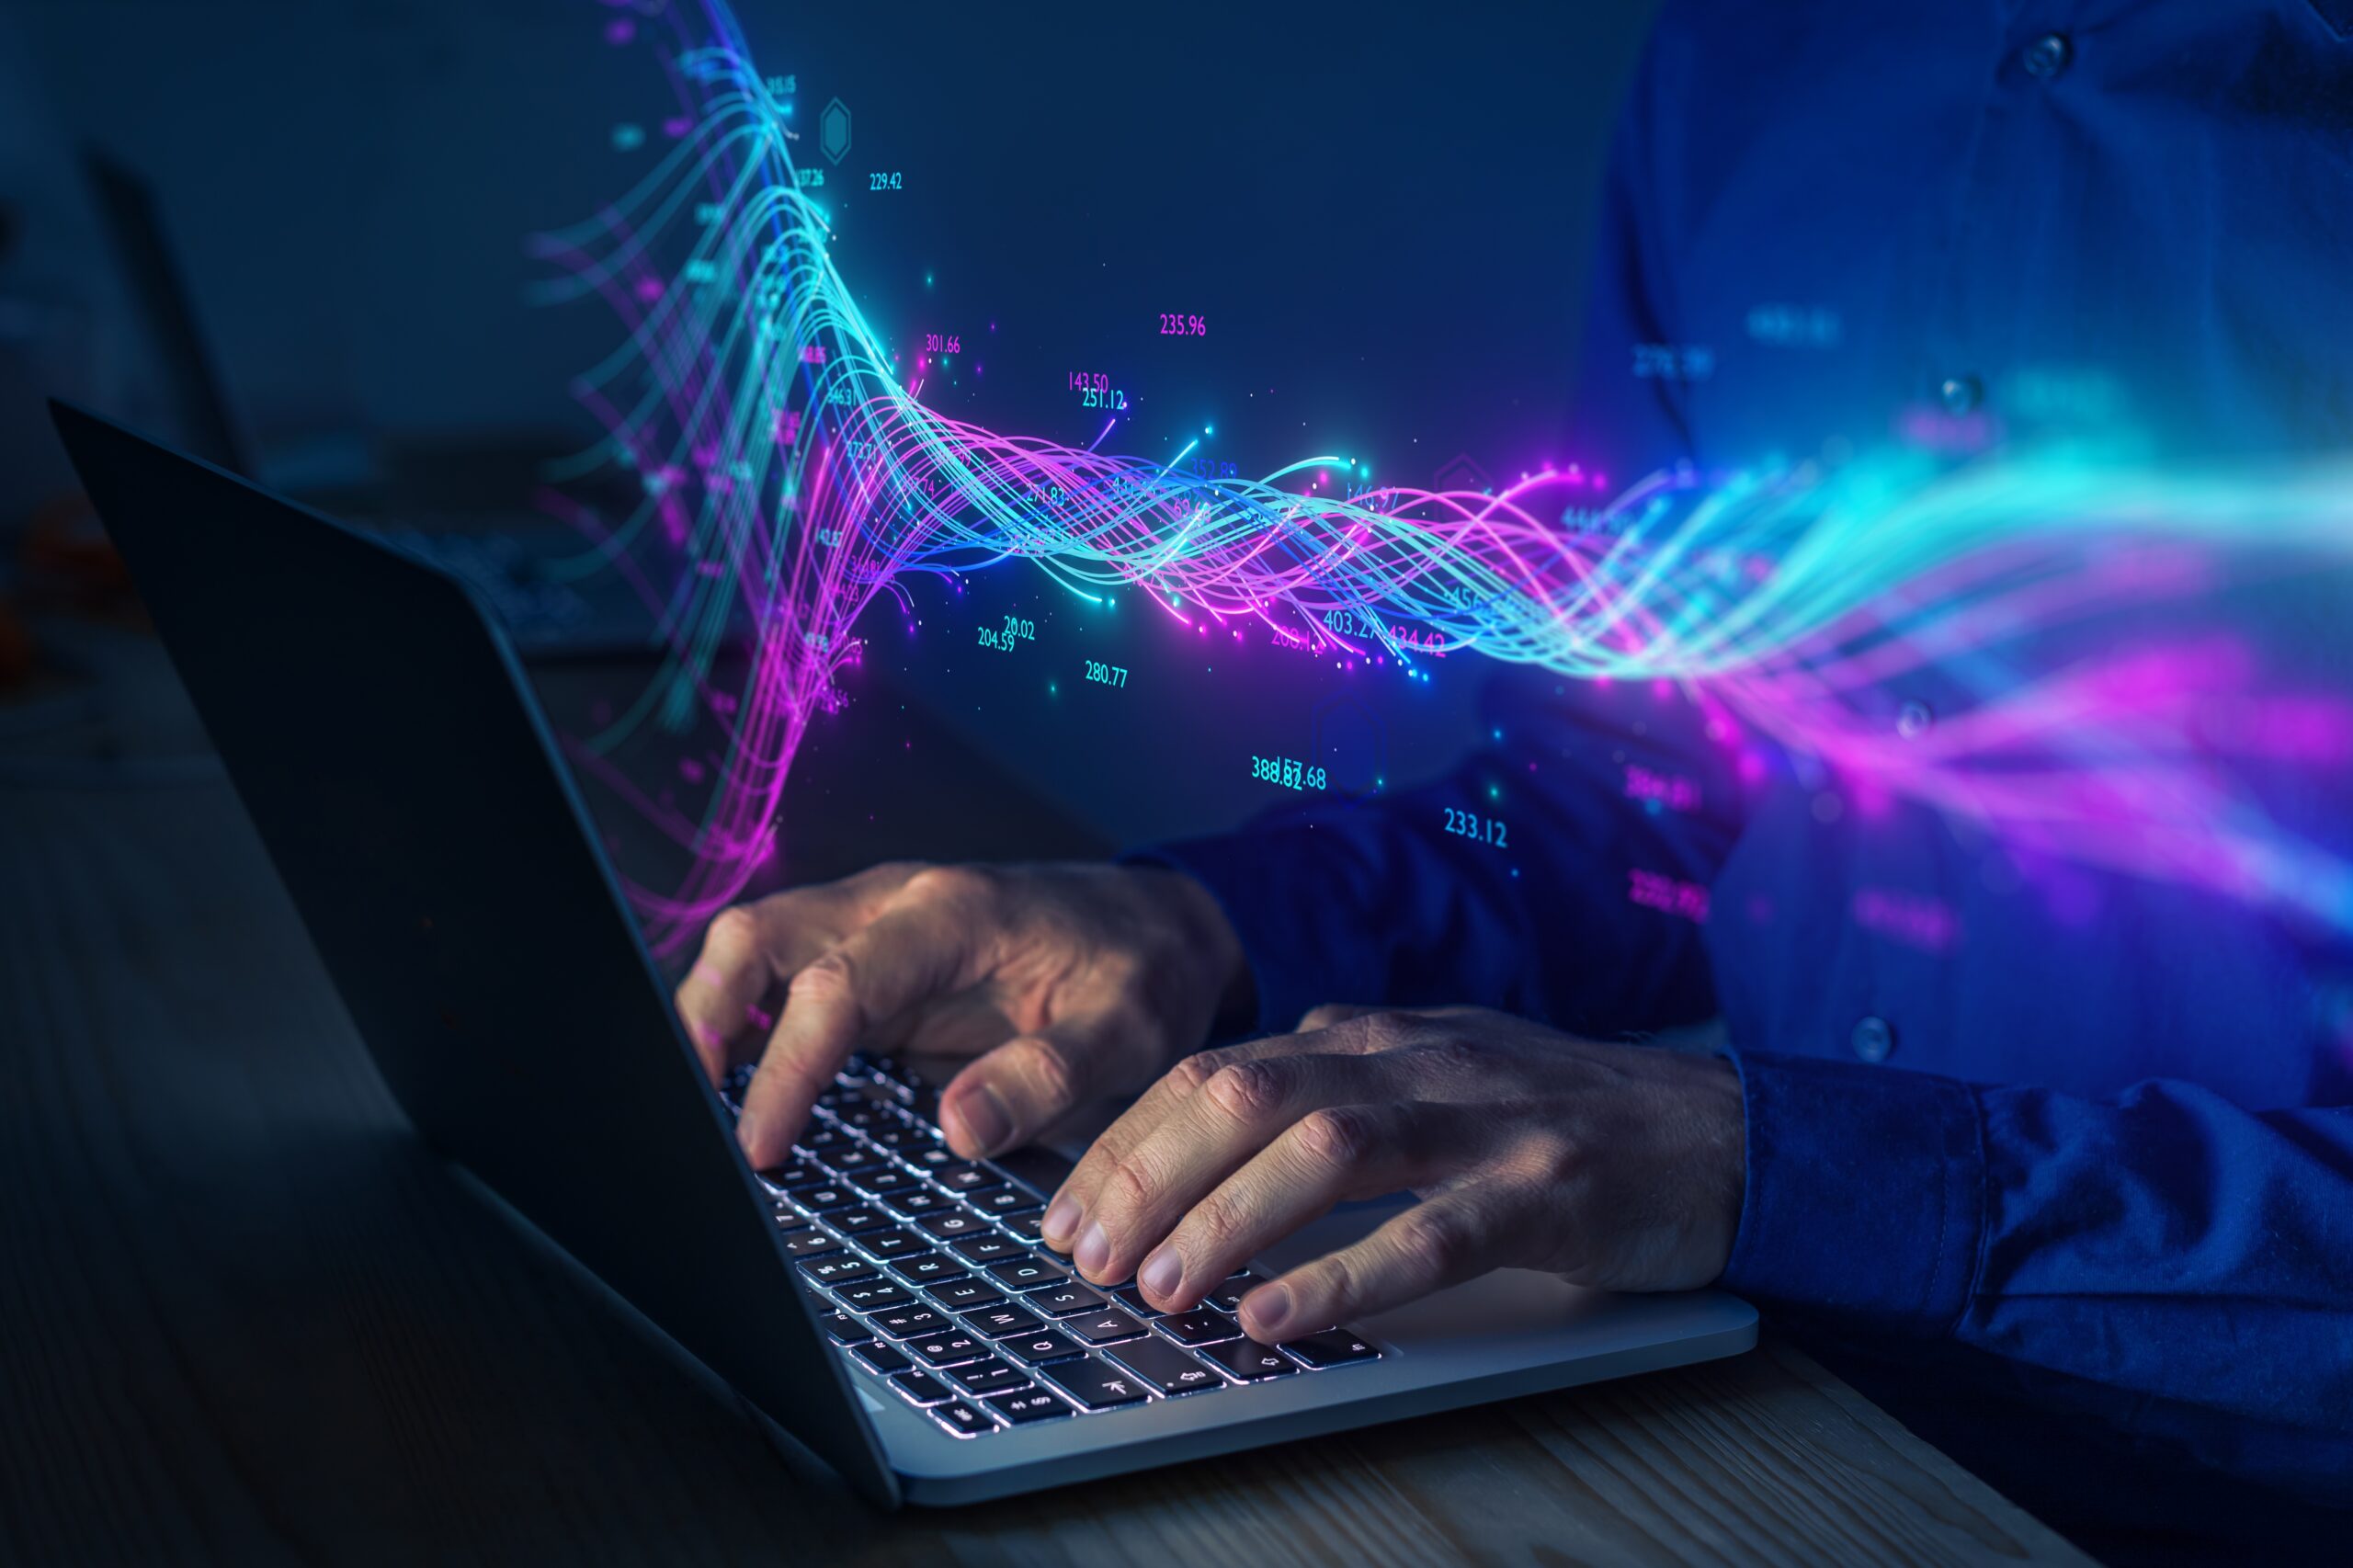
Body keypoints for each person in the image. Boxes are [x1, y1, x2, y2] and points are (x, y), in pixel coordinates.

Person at [680, 3, 2353, 1560]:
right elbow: (1647, 799)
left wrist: (1771, 1164)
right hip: (1759, 1403)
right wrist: (1202, 929)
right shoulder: (1758, 54)